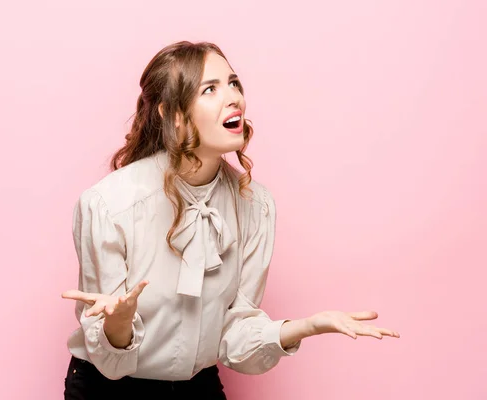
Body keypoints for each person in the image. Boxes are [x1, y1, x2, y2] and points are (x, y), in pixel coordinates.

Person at [60, 41, 400, 399]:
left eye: (234, 83)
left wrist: (302, 327)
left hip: (197, 387)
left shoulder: (255, 205)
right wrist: (118, 324)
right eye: (211, 88)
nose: (234, 97)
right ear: (173, 114)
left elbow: (234, 340)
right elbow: (111, 362)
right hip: (107, 389)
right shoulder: (109, 204)